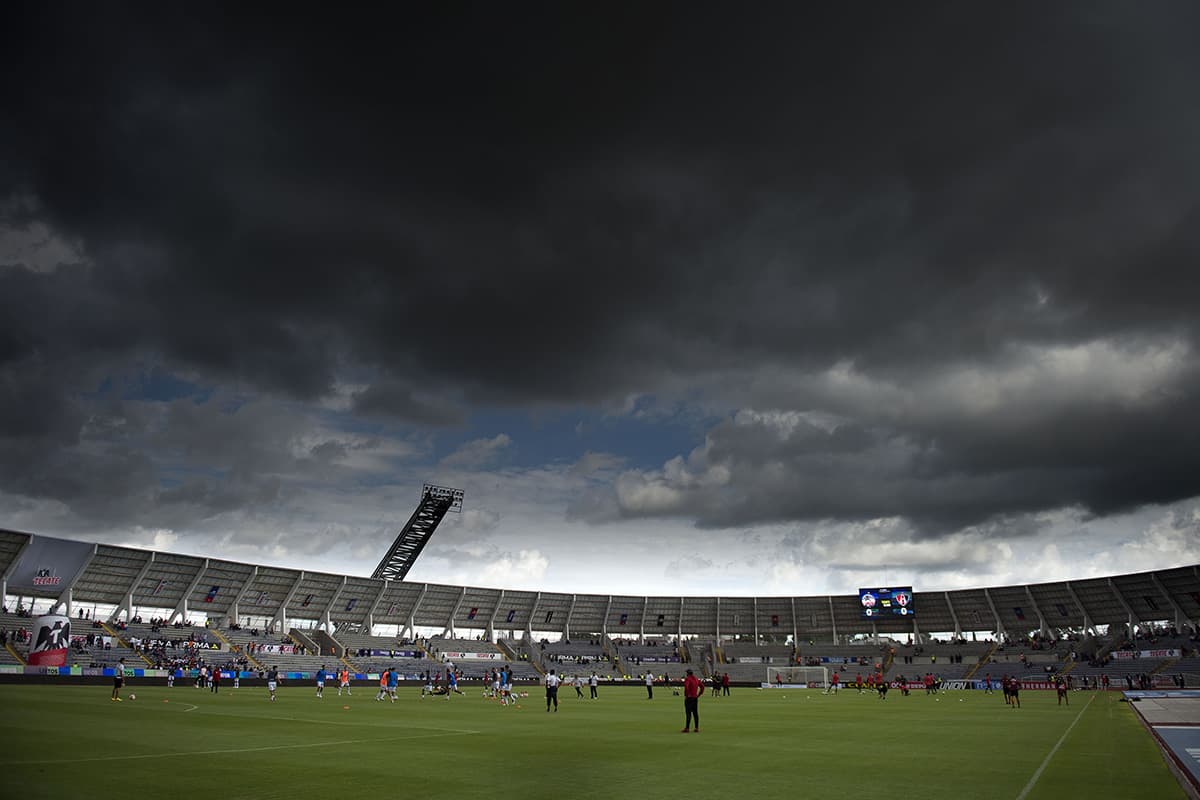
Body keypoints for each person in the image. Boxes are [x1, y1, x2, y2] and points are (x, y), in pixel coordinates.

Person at [681, 668, 704, 733]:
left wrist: (687, 694)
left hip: (689, 698)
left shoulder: (688, 679)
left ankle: (687, 728)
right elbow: (702, 686)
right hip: (695, 698)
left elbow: (686, 686)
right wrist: (699, 694)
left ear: (688, 673)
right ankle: (696, 728)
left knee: (688, 713)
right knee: (695, 713)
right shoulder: (696, 679)